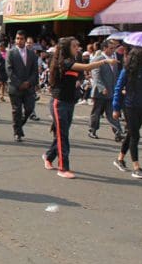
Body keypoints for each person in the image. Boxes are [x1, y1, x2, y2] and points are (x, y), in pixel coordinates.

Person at [42, 37, 118, 179]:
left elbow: (81, 73)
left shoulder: (74, 60)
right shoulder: (65, 62)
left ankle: (48, 156)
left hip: (70, 102)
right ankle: (63, 168)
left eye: (77, 45)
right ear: (67, 48)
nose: (77, 48)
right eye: (74, 46)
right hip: (59, 103)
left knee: (62, 133)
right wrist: (105, 61)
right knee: (63, 136)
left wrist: (79, 81)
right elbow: (87, 67)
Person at [111, 46, 142, 179]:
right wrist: (116, 108)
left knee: (131, 133)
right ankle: (136, 167)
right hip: (130, 106)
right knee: (135, 135)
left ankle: (120, 159)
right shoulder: (127, 71)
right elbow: (118, 88)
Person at [88, 39, 124, 141]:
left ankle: (118, 132)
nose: (113, 50)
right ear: (104, 48)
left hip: (111, 91)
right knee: (96, 112)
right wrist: (102, 88)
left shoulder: (113, 60)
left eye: (114, 48)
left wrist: (118, 88)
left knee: (112, 112)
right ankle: (92, 130)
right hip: (100, 92)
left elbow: (115, 76)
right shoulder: (98, 59)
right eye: (111, 48)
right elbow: (96, 75)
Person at [6, 30, 38, 142]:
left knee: (29, 108)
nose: (19, 41)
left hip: (28, 87)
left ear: (25, 40)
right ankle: (17, 132)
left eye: (21, 39)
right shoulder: (11, 53)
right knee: (17, 111)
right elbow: (9, 70)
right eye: (17, 38)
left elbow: (35, 71)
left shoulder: (32, 54)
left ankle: (19, 125)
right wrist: (19, 84)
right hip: (15, 87)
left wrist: (29, 82)